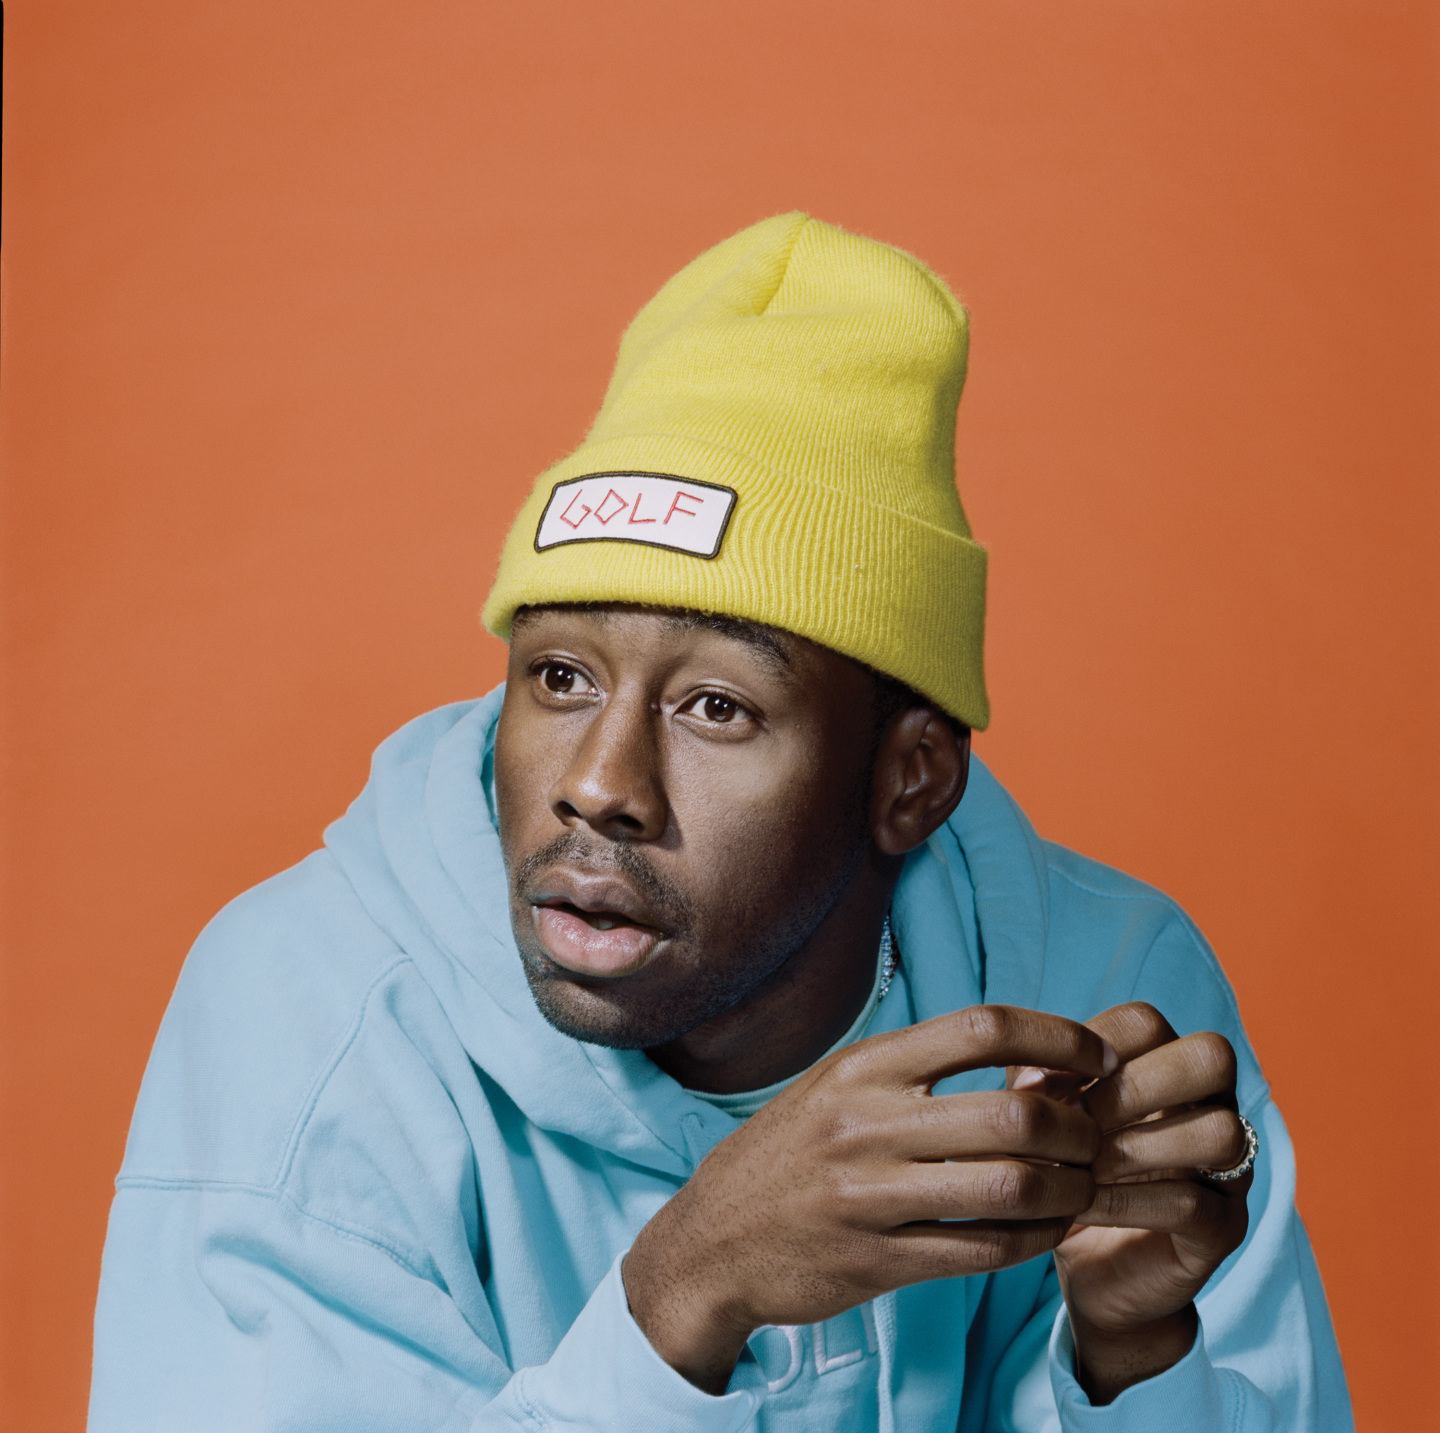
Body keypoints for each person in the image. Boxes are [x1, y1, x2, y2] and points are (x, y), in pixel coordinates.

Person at [89, 213, 1351, 1431]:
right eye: (560, 676)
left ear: (908, 781)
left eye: (716, 706)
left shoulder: (1107, 992)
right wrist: (682, 1292)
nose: (599, 783)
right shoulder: (307, 1008)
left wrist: (1134, 1362)